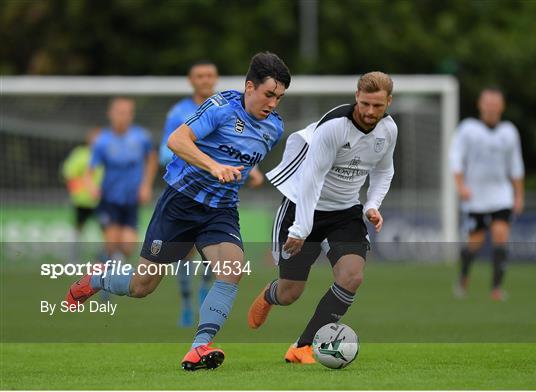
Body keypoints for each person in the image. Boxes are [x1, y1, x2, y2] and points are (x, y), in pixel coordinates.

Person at [65, 52, 291, 371]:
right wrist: (214, 166)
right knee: (141, 287)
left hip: (221, 210)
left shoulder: (274, 128)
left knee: (233, 267)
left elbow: (243, 156)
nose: (273, 104)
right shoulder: (221, 107)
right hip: (180, 205)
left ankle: (199, 347)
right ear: (250, 86)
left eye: (279, 98)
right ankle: (98, 279)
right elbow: (177, 140)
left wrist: (246, 173)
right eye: (269, 94)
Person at [247, 71, 397, 364]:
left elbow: (384, 170)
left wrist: (372, 205)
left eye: (377, 106)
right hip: (303, 208)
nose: (369, 112)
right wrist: (301, 229)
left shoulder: (389, 130)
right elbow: (311, 181)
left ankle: (303, 346)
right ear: (356, 96)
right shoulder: (334, 128)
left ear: (388, 102)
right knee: (290, 293)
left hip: (345, 212)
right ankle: (269, 295)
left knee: (352, 277)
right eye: (364, 103)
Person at [160, 61, 265, 327]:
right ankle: (186, 303)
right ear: (191, 80)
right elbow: (168, 147)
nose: (205, 80)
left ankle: (207, 292)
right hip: (188, 190)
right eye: (199, 76)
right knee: (183, 255)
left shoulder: (228, 109)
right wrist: (206, 162)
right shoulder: (180, 111)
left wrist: (250, 170)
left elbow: (236, 147)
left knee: (218, 254)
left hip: (219, 197)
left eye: (209, 75)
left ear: (216, 79)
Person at [449, 87, 525, 301]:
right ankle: (464, 277)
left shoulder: (509, 131)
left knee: (501, 235)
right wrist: (461, 185)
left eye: (495, 104)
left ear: (502, 106)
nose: (491, 107)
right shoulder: (468, 129)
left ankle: (496, 288)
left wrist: (518, 195)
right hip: (476, 196)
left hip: (501, 194)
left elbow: (516, 165)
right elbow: (455, 158)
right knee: (475, 242)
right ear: (480, 105)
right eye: (488, 103)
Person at [89, 97, 158, 261]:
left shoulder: (141, 137)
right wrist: (91, 186)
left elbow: (152, 159)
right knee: (113, 242)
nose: (123, 116)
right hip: (109, 198)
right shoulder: (102, 140)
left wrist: (146, 185)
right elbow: (90, 169)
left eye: (127, 113)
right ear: (110, 114)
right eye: (119, 112)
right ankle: (102, 274)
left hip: (131, 198)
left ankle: (103, 263)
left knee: (127, 245)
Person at [61, 127, 103, 260]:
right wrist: (78, 190)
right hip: (82, 201)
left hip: (102, 200)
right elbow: (68, 173)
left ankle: (104, 260)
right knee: (78, 229)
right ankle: (72, 259)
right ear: (89, 139)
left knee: (107, 231)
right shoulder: (80, 154)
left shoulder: (107, 156)